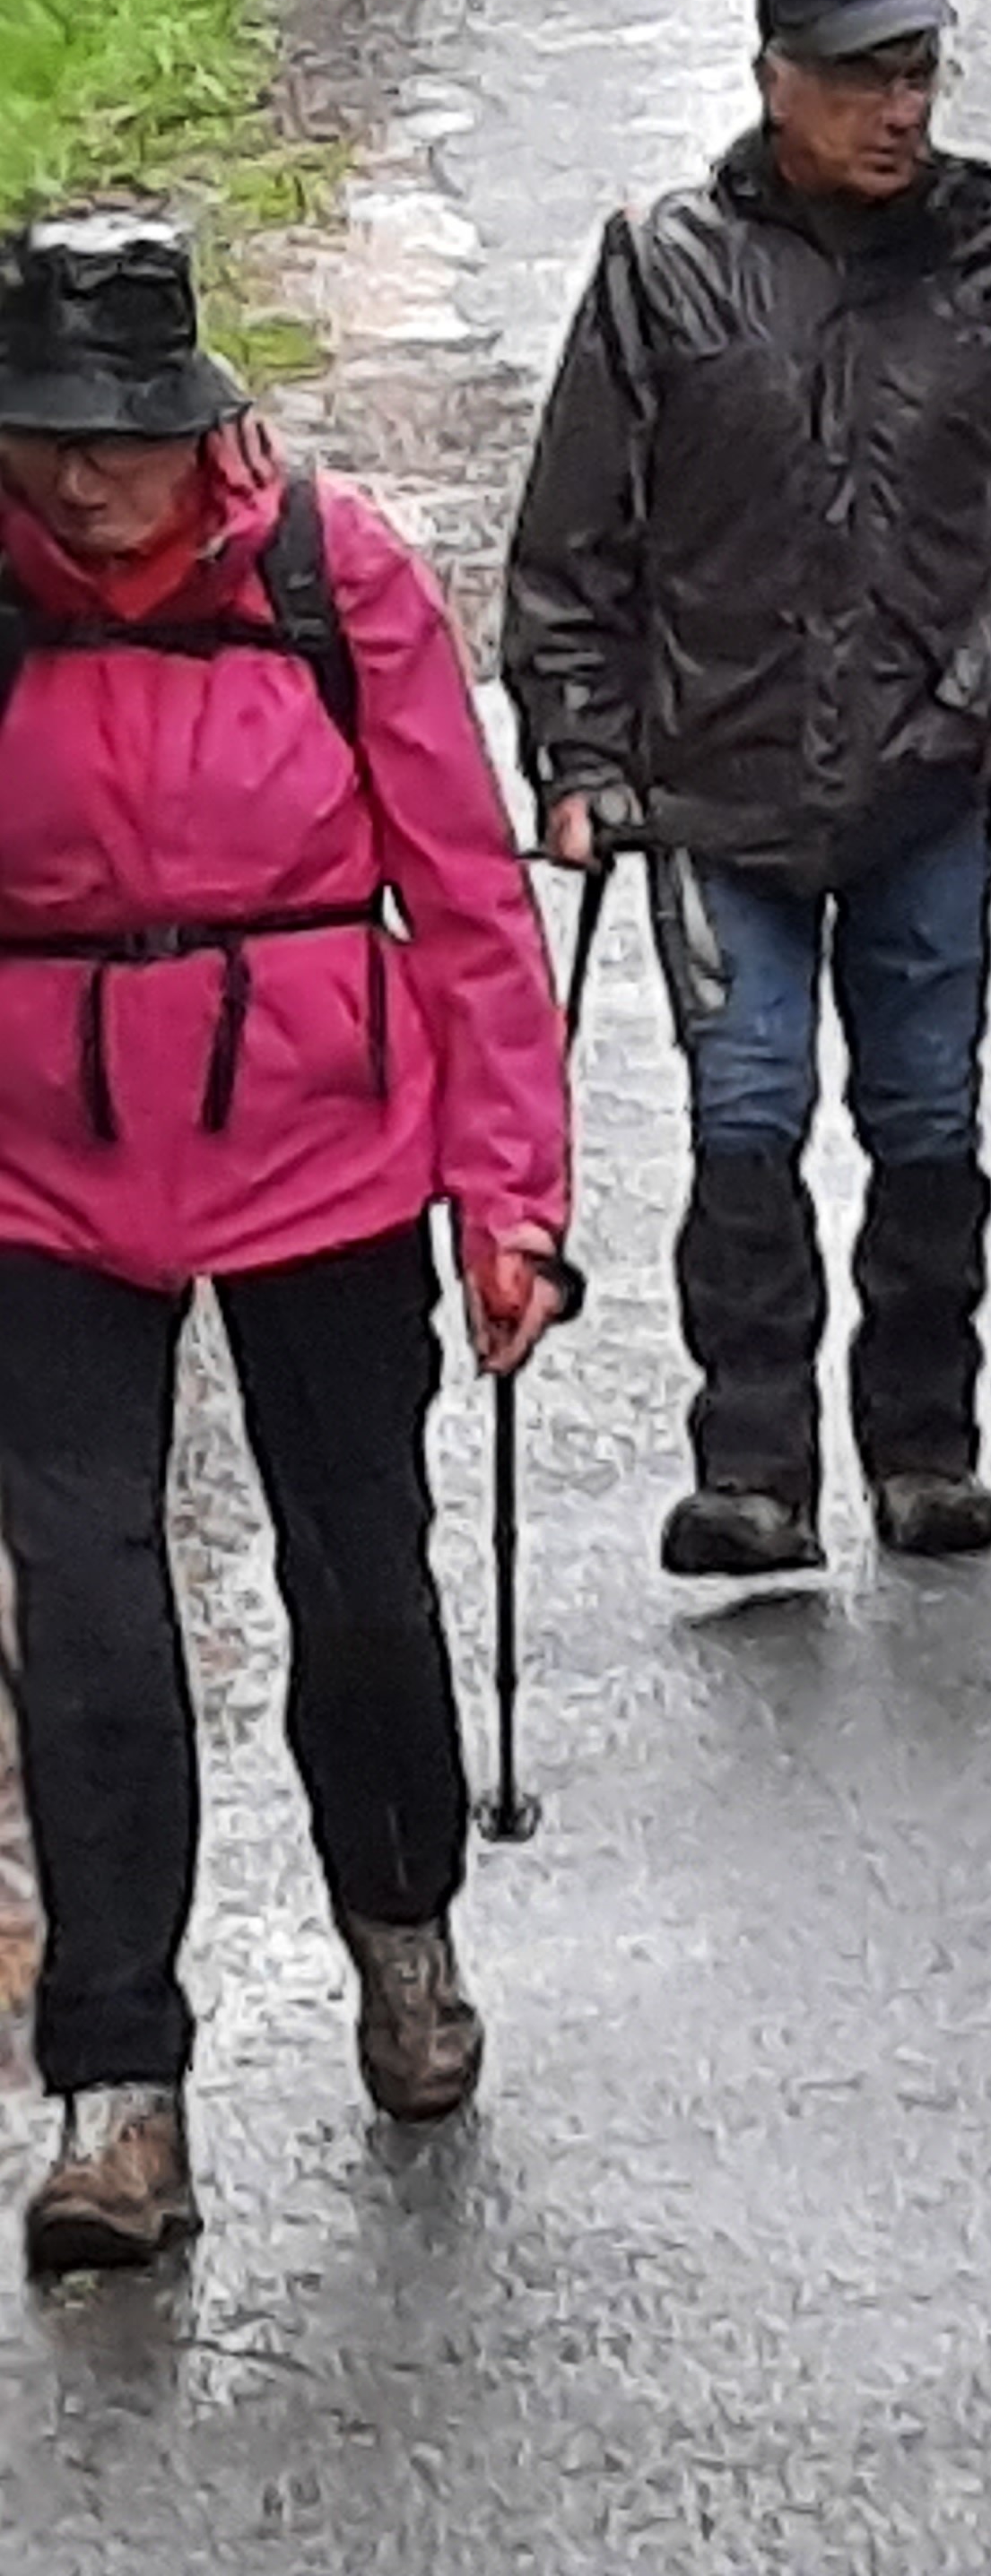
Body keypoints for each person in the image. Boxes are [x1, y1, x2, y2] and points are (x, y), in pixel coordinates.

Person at [0, 211, 573, 2275]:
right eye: (45, 429)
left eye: (118, 434)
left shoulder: (337, 580)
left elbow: (471, 902)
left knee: (356, 1578)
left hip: (324, 1141)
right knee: (84, 1616)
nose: (81, 476)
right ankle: (118, 2091)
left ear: (199, 423)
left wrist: (511, 1191)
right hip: (42, 1163)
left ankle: (401, 1924)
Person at [504, 0, 991, 1579]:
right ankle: (755, 1475)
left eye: (916, 72)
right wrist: (579, 757)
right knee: (747, 1113)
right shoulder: (664, 271)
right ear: (773, 80)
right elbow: (572, 547)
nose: (897, 108)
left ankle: (927, 1449)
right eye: (862, 75)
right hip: (719, 795)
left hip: (930, 788)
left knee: (928, 1120)